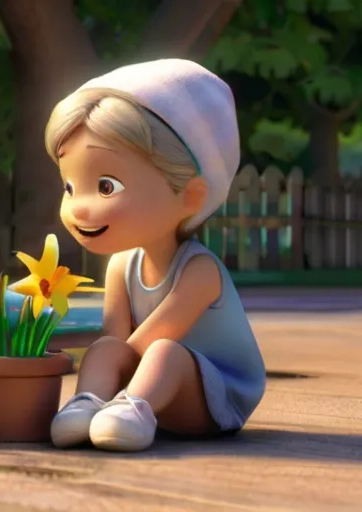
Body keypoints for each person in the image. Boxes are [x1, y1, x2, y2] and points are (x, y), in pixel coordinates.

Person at [43, 59, 266, 452]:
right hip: (148, 383)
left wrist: (119, 370)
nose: (79, 207)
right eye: (70, 187)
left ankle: (131, 409)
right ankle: (87, 405)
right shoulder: (121, 265)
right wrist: (102, 363)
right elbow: (117, 343)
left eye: (106, 186)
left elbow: (148, 343)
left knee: (165, 351)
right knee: (104, 347)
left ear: (190, 195)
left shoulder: (199, 271)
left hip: (216, 399)